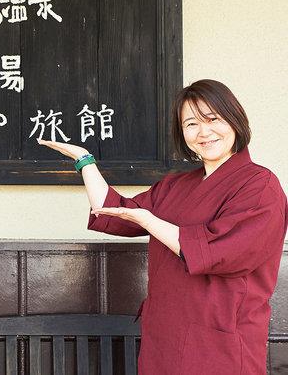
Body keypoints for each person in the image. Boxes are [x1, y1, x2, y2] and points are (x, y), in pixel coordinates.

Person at [39, 79, 287, 374]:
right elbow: (116, 212)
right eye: (191, 124)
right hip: (165, 335)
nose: (203, 132)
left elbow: (222, 253)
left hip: (220, 340)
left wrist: (150, 221)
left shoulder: (260, 184)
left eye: (213, 119)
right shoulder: (177, 185)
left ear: (234, 120)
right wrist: (84, 160)